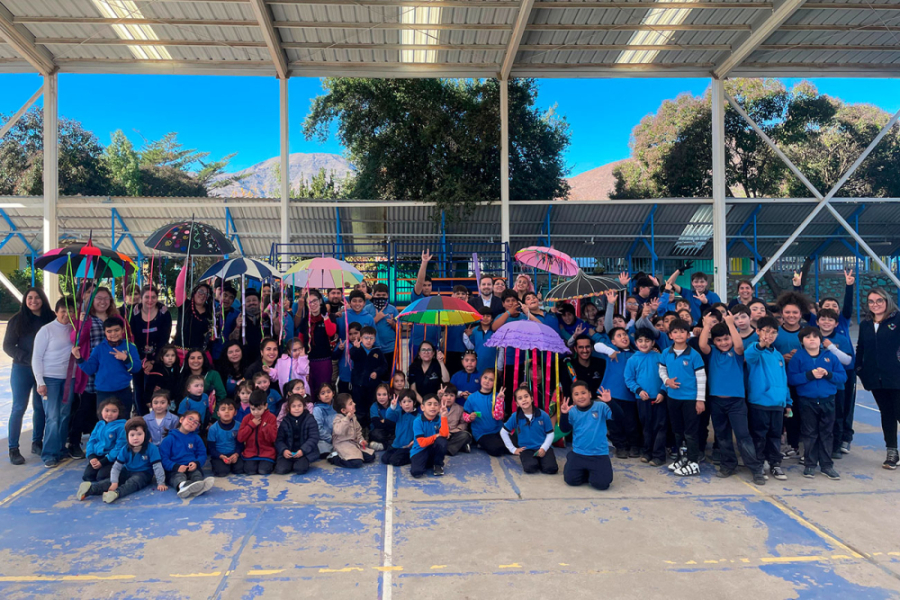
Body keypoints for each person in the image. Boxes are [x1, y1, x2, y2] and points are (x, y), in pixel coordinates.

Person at [698, 313, 765, 485]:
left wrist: (731, 324)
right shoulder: (712, 352)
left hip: (736, 402)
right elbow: (702, 344)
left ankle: (755, 468)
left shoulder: (737, 353)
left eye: (726, 339)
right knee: (722, 435)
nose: (723, 343)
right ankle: (728, 465)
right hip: (716, 402)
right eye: (719, 340)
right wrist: (706, 326)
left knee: (743, 436)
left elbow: (739, 345)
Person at [787, 326, 846, 480]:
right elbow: (791, 379)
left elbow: (842, 377)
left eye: (815, 336)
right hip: (807, 401)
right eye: (807, 337)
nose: (811, 339)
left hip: (828, 400)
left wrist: (828, 374)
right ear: (801, 341)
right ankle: (810, 464)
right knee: (809, 433)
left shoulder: (830, 357)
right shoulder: (798, 357)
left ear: (821, 340)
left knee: (827, 433)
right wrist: (809, 375)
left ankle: (827, 465)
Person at [4, 287, 55, 464]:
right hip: (22, 369)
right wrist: (28, 359)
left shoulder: (51, 318)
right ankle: (13, 448)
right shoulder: (17, 320)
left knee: (40, 406)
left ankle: (37, 442)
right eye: (30, 298)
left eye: (37, 297)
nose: (34, 301)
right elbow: (8, 346)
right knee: (19, 407)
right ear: (25, 300)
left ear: (43, 299)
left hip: (44, 370)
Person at [855, 288, 900, 470]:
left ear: (887, 300)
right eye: (872, 301)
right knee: (887, 414)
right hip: (875, 378)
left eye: (879, 301)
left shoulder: (897, 319)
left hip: (896, 376)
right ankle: (892, 452)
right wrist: (860, 369)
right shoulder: (866, 324)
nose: (875, 305)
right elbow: (861, 348)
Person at [76, 417, 167, 503]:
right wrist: (114, 482)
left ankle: (116, 493)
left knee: (133, 483)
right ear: (127, 436)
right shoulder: (125, 449)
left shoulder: (152, 448)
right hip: (127, 470)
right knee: (109, 481)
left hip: (143, 473)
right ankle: (90, 490)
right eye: (132, 435)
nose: (135, 438)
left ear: (145, 434)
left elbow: (157, 466)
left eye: (139, 434)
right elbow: (116, 467)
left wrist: (161, 482)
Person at [745, 316, 792, 481]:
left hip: (777, 404)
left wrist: (787, 402)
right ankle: (758, 465)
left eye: (773, 332)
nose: (769, 335)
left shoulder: (778, 355)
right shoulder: (754, 349)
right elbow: (750, 356)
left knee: (775, 435)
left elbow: (783, 380)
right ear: (757, 331)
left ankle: (775, 463)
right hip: (760, 402)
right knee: (759, 435)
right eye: (765, 331)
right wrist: (761, 344)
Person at [31, 297, 76, 468]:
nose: (67, 314)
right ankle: (49, 453)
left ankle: (60, 449)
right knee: (53, 417)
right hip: (50, 379)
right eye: (63, 310)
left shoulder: (75, 330)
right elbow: (36, 357)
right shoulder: (46, 330)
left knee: (65, 414)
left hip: (69, 378)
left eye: (70, 311)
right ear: (56, 312)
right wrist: (40, 381)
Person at [659, 319, 707, 477]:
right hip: (673, 398)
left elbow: (701, 378)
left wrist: (700, 400)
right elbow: (662, 370)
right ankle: (682, 457)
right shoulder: (666, 352)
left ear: (688, 334)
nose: (679, 334)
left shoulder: (694, 355)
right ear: (670, 335)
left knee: (691, 432)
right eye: (675, 332)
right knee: (677, 431)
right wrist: (667, 381)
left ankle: (693, 462)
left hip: (690, 399)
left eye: (682, 331)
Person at [73, 317, 142, 416]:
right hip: (103, 392)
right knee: (104, 422)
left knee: (123, 422)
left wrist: (126, 359)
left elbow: (136, 368)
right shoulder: (99, 349)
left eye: (116, 330)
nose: (113, 334)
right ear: (105, 332)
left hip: (123, 391)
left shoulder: (130, 347)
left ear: (122, 330)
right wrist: (79, 358)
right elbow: (90, 370)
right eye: (109, 331)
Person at [559, 382, 619, 491]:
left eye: (583, 393)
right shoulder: (571, 411)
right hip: (579, 453)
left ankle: (591, 471)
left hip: (599, 454)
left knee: (601, 485)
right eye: (576, 394)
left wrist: (610, 402)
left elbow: (619, 417)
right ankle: (572, 459)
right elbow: (564, 429)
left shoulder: (601, 406)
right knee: (571, 481)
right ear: (572, 397)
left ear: (590, 394)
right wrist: (564, 414)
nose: (581, 396)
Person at [773, 291, 811, 459]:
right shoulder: (775, 333)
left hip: (801, 381)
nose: (791, 315)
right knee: (782, 413)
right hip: (780, 380)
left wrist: (799, 357)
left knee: (798, 413)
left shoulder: (808, 333)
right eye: (787, 312)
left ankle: (796, 444)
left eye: (795, 312)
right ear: (782, 313)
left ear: (801, 314)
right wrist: (781, 357)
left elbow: (814, 355)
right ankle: (784, 444)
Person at [813, 308, 854, 460]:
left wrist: (830, 347)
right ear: (817, 322)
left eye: (830, 320)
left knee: (837, 416)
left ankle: (835, 446)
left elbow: (848, 360)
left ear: (836, 324)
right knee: (816, 417)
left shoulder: (841, 339)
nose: (826, 322)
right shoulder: (811, 336)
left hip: (836, 386)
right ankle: (816, 446)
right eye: (823, 319)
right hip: (815, 387)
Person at [624, 328, 667, 466]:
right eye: (640, 341)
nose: (644, 344)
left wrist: (662, 391)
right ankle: (647, 452)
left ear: (653, 342)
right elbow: (629, 379)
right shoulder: (632, 360)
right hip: (642, 399)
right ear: (635, 343)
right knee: (646, 426)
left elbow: (667, 376)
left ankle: (659, 455)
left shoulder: (659, 357)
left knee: (660, 427)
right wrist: (639, 391)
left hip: (660, 398)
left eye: (647, 341)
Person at [594, 327, 638, 459]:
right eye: (619, 335)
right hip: (611, 394)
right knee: (614, 423)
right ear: (613, 341)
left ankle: (634, 445)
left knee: (631, 422)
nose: (623, 337)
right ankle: (620, 447)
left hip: (630, 395)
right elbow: (596, 345)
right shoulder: (610, 352)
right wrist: (610, 351)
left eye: (625, 334)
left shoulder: (636, 354)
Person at [129, 285, 172, 415]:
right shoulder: (134, 313)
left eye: (153, 297)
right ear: (141, 298)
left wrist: (152, 361)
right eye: (147, 297)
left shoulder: (164, 314)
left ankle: (155, 418)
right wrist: (143, 360)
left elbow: (164, 339)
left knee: (152, 388)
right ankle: (142, 416)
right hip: (138, 357)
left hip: (157, 357)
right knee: (138, 388)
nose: (150, 300)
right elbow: (132, 339)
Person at [501, 386, 557, 474]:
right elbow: (503, 432)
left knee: (551, 469)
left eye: (526, 396)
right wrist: (512, 449)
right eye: (520, 398)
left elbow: (550, 433)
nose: (524, 400)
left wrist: (544, 448)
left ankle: (544, 459)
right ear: (517, 403)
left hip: (542, 447)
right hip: (526, 449)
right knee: (530, 468)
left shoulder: (543, 415)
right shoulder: (515, 416)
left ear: (531, 398)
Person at [160, 410, 215, 499]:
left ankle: (199, 485)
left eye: (196, 422)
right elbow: (164, 458)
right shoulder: (169, 439)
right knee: (178, 477)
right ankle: (182, 487)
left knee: (196, 474)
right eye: (190, 419)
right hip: (175, 469)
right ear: (181, 420)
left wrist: (196, 463)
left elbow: (202, 454)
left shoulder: (196, 438)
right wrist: (176, 467)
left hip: (191, 467)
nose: (192, 423)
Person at [350, 325, 389, 432]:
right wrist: (355, 348)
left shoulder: (377, 351)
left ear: (375, 339)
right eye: (366, 338)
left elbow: (384, 366)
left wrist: (377, 372)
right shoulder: (357, 349)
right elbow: (352, 356)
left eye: (371, 338)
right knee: (359, 409)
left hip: (372, 386)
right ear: (361, 338)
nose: (368, 340)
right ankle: (361, 430)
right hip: (358, 385)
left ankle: (371, 429)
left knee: (371, 407)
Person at [299, 290, 339, 393]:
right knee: (310, 389)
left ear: (320, 300)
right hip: (308, 361)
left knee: (323, 389)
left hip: (324, 360)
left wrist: (325, 317)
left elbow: (331, 332)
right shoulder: (305, 320)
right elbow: (301, 340)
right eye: (309, 302)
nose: (312, 304)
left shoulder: (330, 317)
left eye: (315, 300)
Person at [462, 369, 507, 456]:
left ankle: (491, 444)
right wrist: (469, 417)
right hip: (482, 433)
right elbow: (465, 415)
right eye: (485, 378)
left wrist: (500, 400)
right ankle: (483, 443)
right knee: (496, 449)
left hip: (498, 431)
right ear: (480, 378)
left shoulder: (498, 396)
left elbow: (499, 417)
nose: (487, 381)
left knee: (519, 443)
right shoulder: (472, 398)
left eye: (491, 380)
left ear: (495, 383)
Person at [82, 398, 127, 482]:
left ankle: (122, 471)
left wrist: (104, 461)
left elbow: (119, 447)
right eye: (106, 410)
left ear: (119, 413)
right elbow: (92, 441)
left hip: (112, 459)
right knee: (88, 476)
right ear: (101, 411)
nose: (109, 414)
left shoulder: (121, 427)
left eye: (114, 411)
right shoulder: (99, 424)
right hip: (98, 456)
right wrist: (91, 457)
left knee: (101, 477)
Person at [274, 394, 320, 475]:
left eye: (299, 405)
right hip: (289, 452)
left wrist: (303, 450)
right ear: (289, 408)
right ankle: (289, 462)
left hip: (304, 453)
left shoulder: (310, 419)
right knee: (281, 470)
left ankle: (300, 462)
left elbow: (314, 437)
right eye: (294, 406)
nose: (297, 408)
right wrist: (284, 450)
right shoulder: (285, 421)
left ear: (304, 406)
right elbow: (279, 439)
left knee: (300, 469)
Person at [329, 393, 377, 468]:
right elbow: (338, 431)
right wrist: (347, 418)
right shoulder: (337, 418)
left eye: (353, 402)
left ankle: (356, 456)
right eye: (351, 404)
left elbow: (358, 431)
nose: (354, 404)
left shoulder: (353, 417)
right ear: (343, 410)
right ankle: (334, 458)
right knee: (356, 463)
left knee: (371, 456)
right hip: (342, 444)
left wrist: (361, 440)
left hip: (354, 443)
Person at [237, 390, 278, 474]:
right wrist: (251, 425)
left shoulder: (271, 418)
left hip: (267, 454)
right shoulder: (247, 418)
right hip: (250, 453)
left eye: (259, 409)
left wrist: (266, 428)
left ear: (265, 406)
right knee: (250, 471)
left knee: (263, 471)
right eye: (253, 409)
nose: (256, 412)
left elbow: (274, 438)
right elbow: (240, 438)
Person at [409, 394, 450, 477]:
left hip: (433, 449)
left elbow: (445, 434)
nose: (433, 407)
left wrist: (444, 416)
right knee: (417, 473)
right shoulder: (417, 421)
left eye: (435, 404)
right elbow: (422, 443)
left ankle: (438, 464)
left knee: (442, 441)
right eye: (429, 404)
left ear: (439, 407)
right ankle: (422, 461)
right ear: (422, 407)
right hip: (420, 450)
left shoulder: (439, 418)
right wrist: (436, 436)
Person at [409, 249, 441, 356]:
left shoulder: (436, 301)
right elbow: (419, 281)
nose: (426, 288)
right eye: (424, 285)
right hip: (417, 343)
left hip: (433, 344)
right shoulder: (417, 297)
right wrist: (424, 262)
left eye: (429, 285)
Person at [381, 390, 419, 467]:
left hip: (408, 447)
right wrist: (392, 407)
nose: (407, 404)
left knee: (394, 461)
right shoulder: (398, 413)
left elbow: (420, 432)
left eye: (409, 401)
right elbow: (389, 416)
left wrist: (414, 441)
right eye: (404, 402)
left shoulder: (418, 417)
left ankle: (411, 457)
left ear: (414, 403)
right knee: (384, 459)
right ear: (400, 404)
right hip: (396, 445)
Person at [173, 283, 213, 353]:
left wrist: (213, 332)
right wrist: (185, 271)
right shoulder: (185, 305)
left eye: (207, 294)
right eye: (201, 291)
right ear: (194, 292)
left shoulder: (211, 311)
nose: (203, 295)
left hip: (201, 355)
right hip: (181, 353)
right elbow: (179, 287)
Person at [371, 284, 400, 369]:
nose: (381, 297)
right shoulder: (367, 309)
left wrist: (393, 324)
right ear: (373, 295)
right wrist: (376, 319)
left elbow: (399, 329)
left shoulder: (393, 309)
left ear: (387, 295)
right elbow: (364, 329)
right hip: (373, 348)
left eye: (383, 295)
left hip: (390, 348)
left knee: (389, 372)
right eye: (378, 295)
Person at [444, 285, 471, 373]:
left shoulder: (470, 311)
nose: (460, 296)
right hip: (449, 349)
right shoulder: (447, 311)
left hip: (463, 349)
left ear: (466, 296)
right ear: (452, 296)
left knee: (462, 373)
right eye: (457, 293)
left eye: (463, 294)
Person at [440, 385, 473, 455]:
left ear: (455, 397)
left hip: (453, 433)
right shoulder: (436, 407)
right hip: (440, 433)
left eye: (452, 395)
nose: (449, 398)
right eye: (445, 395)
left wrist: (457, 429)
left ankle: (447, 449)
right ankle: (460, 447)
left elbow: (463, 423)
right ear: (441, 396)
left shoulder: (460, 408)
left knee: (466, 435)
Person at [463, 308, 496, 375]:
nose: (485, 318)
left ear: (492, 318)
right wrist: (466, 336)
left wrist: (499, 367)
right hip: (478, 364)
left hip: (493, 365)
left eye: (488, 316)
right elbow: (471, 347)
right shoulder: (475, 331)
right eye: (482, 316)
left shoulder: (495, 331)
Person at [212, 284, 239, 361]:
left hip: (229, 354)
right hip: (211, 352)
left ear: (233, 301)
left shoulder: (237, 315)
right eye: (225, 295)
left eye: (231, 298)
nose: (227, 299)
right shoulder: (211, 311)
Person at [333, 322, 360, 395]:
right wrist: (340, 349)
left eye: (356, 333)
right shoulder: (343, 344)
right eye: (350, 334)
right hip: (344, 378)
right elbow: (334, 357)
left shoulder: (363, 345)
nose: (353, 336)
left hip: (357, 380)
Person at [313, 383, 338, 457]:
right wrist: (331, 439)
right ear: (319, 397)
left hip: (338, 437)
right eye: (323, 393)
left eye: (328, 392)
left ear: (333, 393)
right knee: (324, 450)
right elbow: (318, 429)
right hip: (324, 439)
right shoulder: (317, 409)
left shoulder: (337, 405)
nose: (326, 395)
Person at [369, 383, 396, 448]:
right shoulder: (374, 406)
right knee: (375, 434)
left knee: (400, 433)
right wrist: (389, 422)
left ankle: (383, 445)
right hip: (380, 431)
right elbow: (377, 424)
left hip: (392, 431)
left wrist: (385, 421)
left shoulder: (394, 405)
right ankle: (389, 444)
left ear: (389, 396)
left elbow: (396, 423)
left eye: (384, 394)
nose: (381, 397)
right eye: (379, 394)